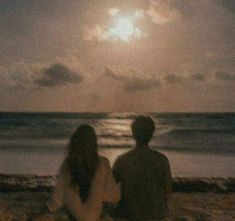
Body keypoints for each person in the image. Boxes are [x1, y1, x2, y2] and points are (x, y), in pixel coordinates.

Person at [45, 124, 120, 221]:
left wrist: (44, 211)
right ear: (94, 144)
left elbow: (57, 199)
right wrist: (100, 195)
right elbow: (114, 196)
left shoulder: (68, 165)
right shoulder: (103, 163)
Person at [112, 116, 172, 221]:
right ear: (151, 135)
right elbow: (167, 190)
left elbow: (111, 186)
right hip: (155, 213)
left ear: (133, 134)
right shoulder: (161, 159)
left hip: (129, 213)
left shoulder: (123, 160)